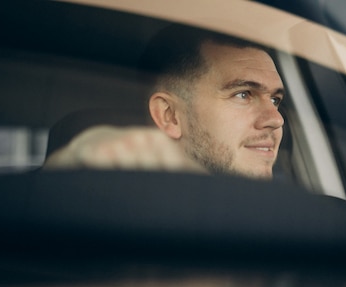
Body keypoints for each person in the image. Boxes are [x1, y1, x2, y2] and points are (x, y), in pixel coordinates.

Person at [45, 26, 285, 180]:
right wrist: (70, 169)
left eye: (275, 99)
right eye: (243, 94)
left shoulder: (298, 222)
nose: (276, 119)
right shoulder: (111, 226)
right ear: (170, 115)